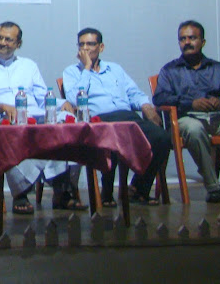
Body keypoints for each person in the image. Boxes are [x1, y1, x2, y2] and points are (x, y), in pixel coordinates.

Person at [0, 21, 84, 215]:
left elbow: (41, 96)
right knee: (12, 133)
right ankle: (20, 193)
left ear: (18, 44)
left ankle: (62, 188)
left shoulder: (29, 65)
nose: (2, 42)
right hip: (6, 118)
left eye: (8, 39)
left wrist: (60, 103)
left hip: (35, 115)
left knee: (67, 123)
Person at [63, 27, 171, 206]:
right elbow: (75, 99)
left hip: (128, 116)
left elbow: (133, 92)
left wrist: (145, 105)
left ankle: (138, 187)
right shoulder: (72, 72)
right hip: (100, 119)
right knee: (112, 136)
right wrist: (87, 68)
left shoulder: (115, 69)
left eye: (90, 44)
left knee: (162, 138)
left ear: (101, 47)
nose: (85, 49)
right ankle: (107, 193)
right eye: (81, 45)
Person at [153, 20, 220, 203]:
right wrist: (191, 104)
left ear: (203, 42)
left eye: (192, 38)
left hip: (215, 117)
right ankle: (213, 187)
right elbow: (160, 98)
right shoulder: (170, 70)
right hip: (185, 119)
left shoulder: (216, 68)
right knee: (195, 129)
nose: (187, 42)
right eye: (183, 39)